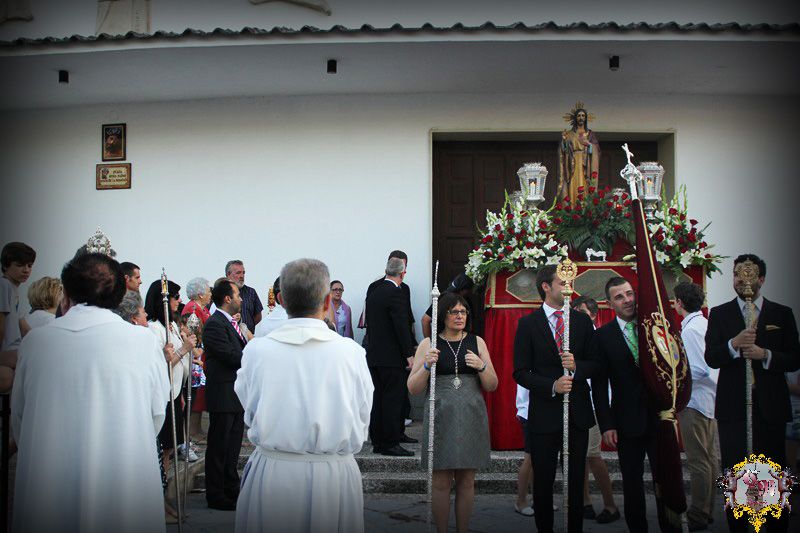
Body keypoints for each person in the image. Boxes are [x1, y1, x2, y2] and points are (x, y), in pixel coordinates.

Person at [11, 253, 170, 532]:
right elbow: (157, 413)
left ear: (67, 292)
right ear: (120, 293)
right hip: (122, 475)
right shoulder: (142, 342)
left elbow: (20, 418)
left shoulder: (36, 343)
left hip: (50, 476)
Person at [234, 258, 373, 533]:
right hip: (332, 478)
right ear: (326, 303)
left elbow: (248, 408)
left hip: (274, 473)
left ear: (281, 300)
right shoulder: (351, 353)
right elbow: (363, 412)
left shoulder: (256, 351)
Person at [705, 254, 800, 533]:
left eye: (748, 274)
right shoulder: (720, 314)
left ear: (761, 278)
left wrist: (765, 354)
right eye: (736, 274)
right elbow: (711, 357)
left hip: (769, 406)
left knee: (771, 472)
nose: (741, 279)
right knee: (737, 473)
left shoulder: (781, 313)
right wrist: (733, 345)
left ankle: (773, 527)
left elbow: (794, 358)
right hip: (733, 407)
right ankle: (739, 526)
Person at [513, 265, 597, 533]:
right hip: (544, 414)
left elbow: (597, 364)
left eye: (570, 282)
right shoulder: (528, 324)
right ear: (546, 287)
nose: (568, 287)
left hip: (577, 414)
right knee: (544, 482)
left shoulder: (582, 322)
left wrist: (577, 367)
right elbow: (520, 372)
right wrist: (551, 385)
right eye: (562, 282)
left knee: (574, 482)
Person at [409, 292, 497, 532]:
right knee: (441, 480)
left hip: (471, 413)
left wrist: (482, 366)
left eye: (463, 312)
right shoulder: (429, 344)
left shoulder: (477, 342)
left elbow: (492, 384)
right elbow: (413, 388)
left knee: (467, 479)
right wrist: (427, 365)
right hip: (441, 414)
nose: (460, 317)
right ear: (443, 315)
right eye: (454, 312)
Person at [592, 276, 673, 532]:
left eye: (629, 294)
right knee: (632, 483)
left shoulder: (655, 326)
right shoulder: (603, 337)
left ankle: (670, 526)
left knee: (667, 480)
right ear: (609, 303)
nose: (627, 300)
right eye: (619, 297)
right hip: (627, 422)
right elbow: (598, 385)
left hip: (661, 418)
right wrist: (607, 425)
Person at [115, 289, 183, 523]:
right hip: (144, 415)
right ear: (134, 317)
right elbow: (158, 384)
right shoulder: (144, 339)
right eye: (143, 313)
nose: (146, 316)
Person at [672, 282, 719, 531]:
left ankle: (699, 513)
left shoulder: (691, 331)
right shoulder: (702, 324)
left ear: (679, 302)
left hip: (694, 401)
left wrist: (675, 381)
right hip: (707, 399)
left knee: (699, 460)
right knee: (709, 458)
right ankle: (707, 509)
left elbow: (699, 368)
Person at [571, 295, 620, 524]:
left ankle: (610, 504)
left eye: (581, 312)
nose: (576, 316)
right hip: (577, 402)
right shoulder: (573, 335)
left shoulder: (598, 336)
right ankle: (585, 501)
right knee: (578, 457)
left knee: (593, 455)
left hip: (594, 404)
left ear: (592, 314)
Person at [144, 280, 198, 467]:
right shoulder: (154, 328)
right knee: (165, 442)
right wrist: (184, 348)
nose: (179, 300)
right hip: (164, 392)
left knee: (172, 444)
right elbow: (162, 365)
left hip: (175, 390)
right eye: (175, 297)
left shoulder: (172, 325)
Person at [203, 277, 246, 510]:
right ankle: (216, 494)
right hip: (222, 394)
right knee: (219, 447)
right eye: (237, 295)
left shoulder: (230, 322)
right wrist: (253, 357)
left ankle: (231, 489)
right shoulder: (214, 324)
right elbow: (230, 355)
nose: (240, 299)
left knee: (232, 448)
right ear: (227, 298)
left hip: (235, 395)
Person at [366, 257, 416, 456]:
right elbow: (401, 327)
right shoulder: (396, 292)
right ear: (402, 274)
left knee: (378, 399)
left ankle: (378, 440)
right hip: (392, 358)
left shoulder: (375, 291)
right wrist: (409, 354)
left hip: (375, 355)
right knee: (393, 401)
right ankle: (390, 442)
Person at [182, 277, 211, 439]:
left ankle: (197, 428)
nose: (210, 294)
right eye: (208, 291)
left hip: (202, 352)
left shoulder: (200, 307)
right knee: (197, 393)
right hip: (197, 353)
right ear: (200, 294)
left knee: (201, 393)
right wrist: (195, 349)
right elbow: (191, 331)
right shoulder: (192, 308)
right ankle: (193, 430)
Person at [558, 103, 600, 202]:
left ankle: (585, 210)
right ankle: (572, 208)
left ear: (585, 118)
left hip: (586, 164)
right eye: (579, 115)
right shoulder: (569, 134)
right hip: (572, 165)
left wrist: (589, 145)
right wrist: (564, 142)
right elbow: (563, 152)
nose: (581, 118)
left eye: (583, 116)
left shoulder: (589, 134)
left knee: (585, 185)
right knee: (572, 186)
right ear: (575, 118)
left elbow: (596, 149)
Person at [0, 241, 35, 350]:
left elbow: (24, 329)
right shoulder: (3, 285)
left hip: (15, 348)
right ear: (6, 265)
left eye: (29, 266)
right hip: (7, 350)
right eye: (20, 265)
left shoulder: (14, 290)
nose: (26, 270)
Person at [421, 273, 474, 339]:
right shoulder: (444, 299)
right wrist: (429, 342)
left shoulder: (466, 299)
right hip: (443, 340)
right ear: (463, 289)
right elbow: (425, 320)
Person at [224, 260, 263, 335]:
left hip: (248, 338)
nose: (242, 276)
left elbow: (258, 316)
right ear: (228, 274)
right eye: (238, 273)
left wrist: (246, 328)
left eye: (243, 273)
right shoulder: (221, 293)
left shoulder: (251, 292)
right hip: (228, 337)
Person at [513, 384, 535, 517]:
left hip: (541, 412)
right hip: (529, 412)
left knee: (539, 459)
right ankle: (520, 501)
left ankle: (537, 498)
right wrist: (521, 409)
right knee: (530, 457)